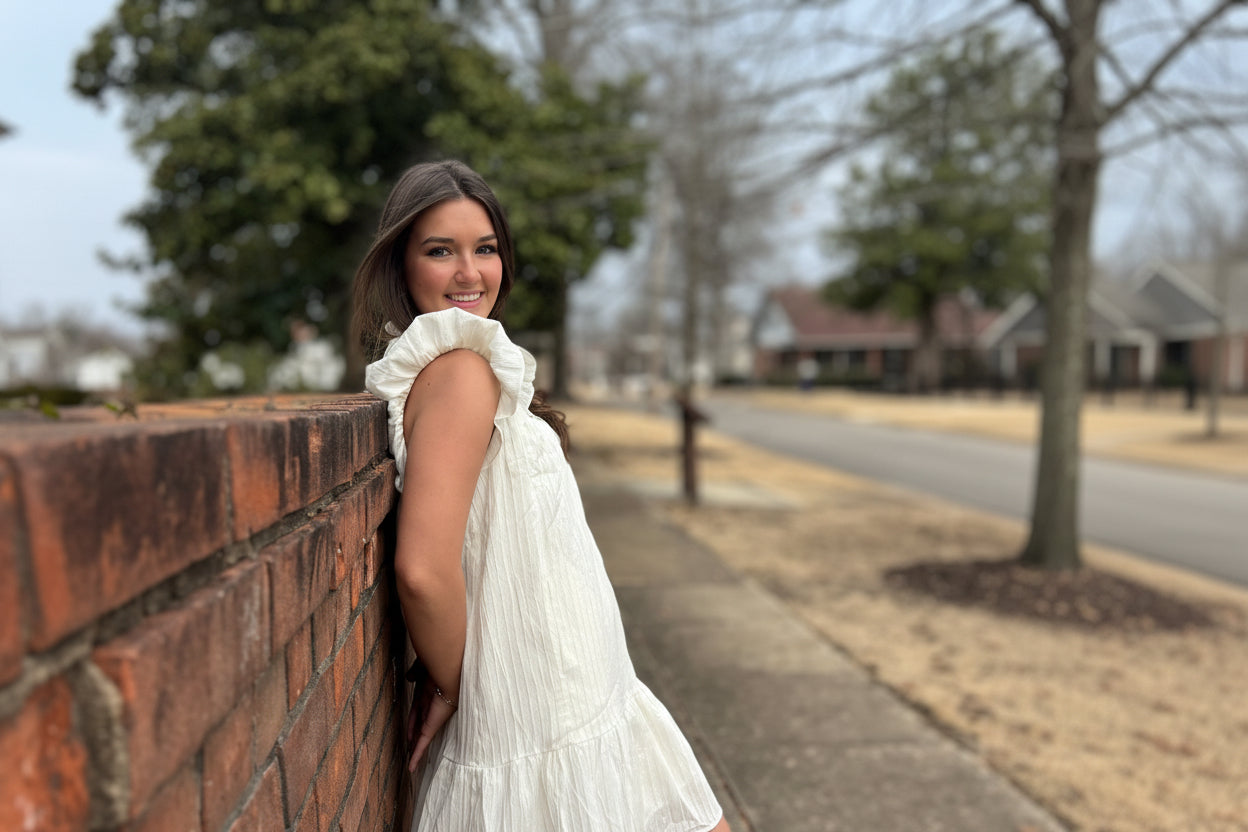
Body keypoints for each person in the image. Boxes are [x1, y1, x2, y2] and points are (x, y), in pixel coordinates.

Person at [354, 160, 729, 832]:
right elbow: (423, 569)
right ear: (401, 265)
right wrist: (450, 684)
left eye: (486, 249)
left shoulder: (460, 367)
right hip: (540, 706)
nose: (470, 273)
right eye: (440, 250)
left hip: (584, 685)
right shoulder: (460, 371)